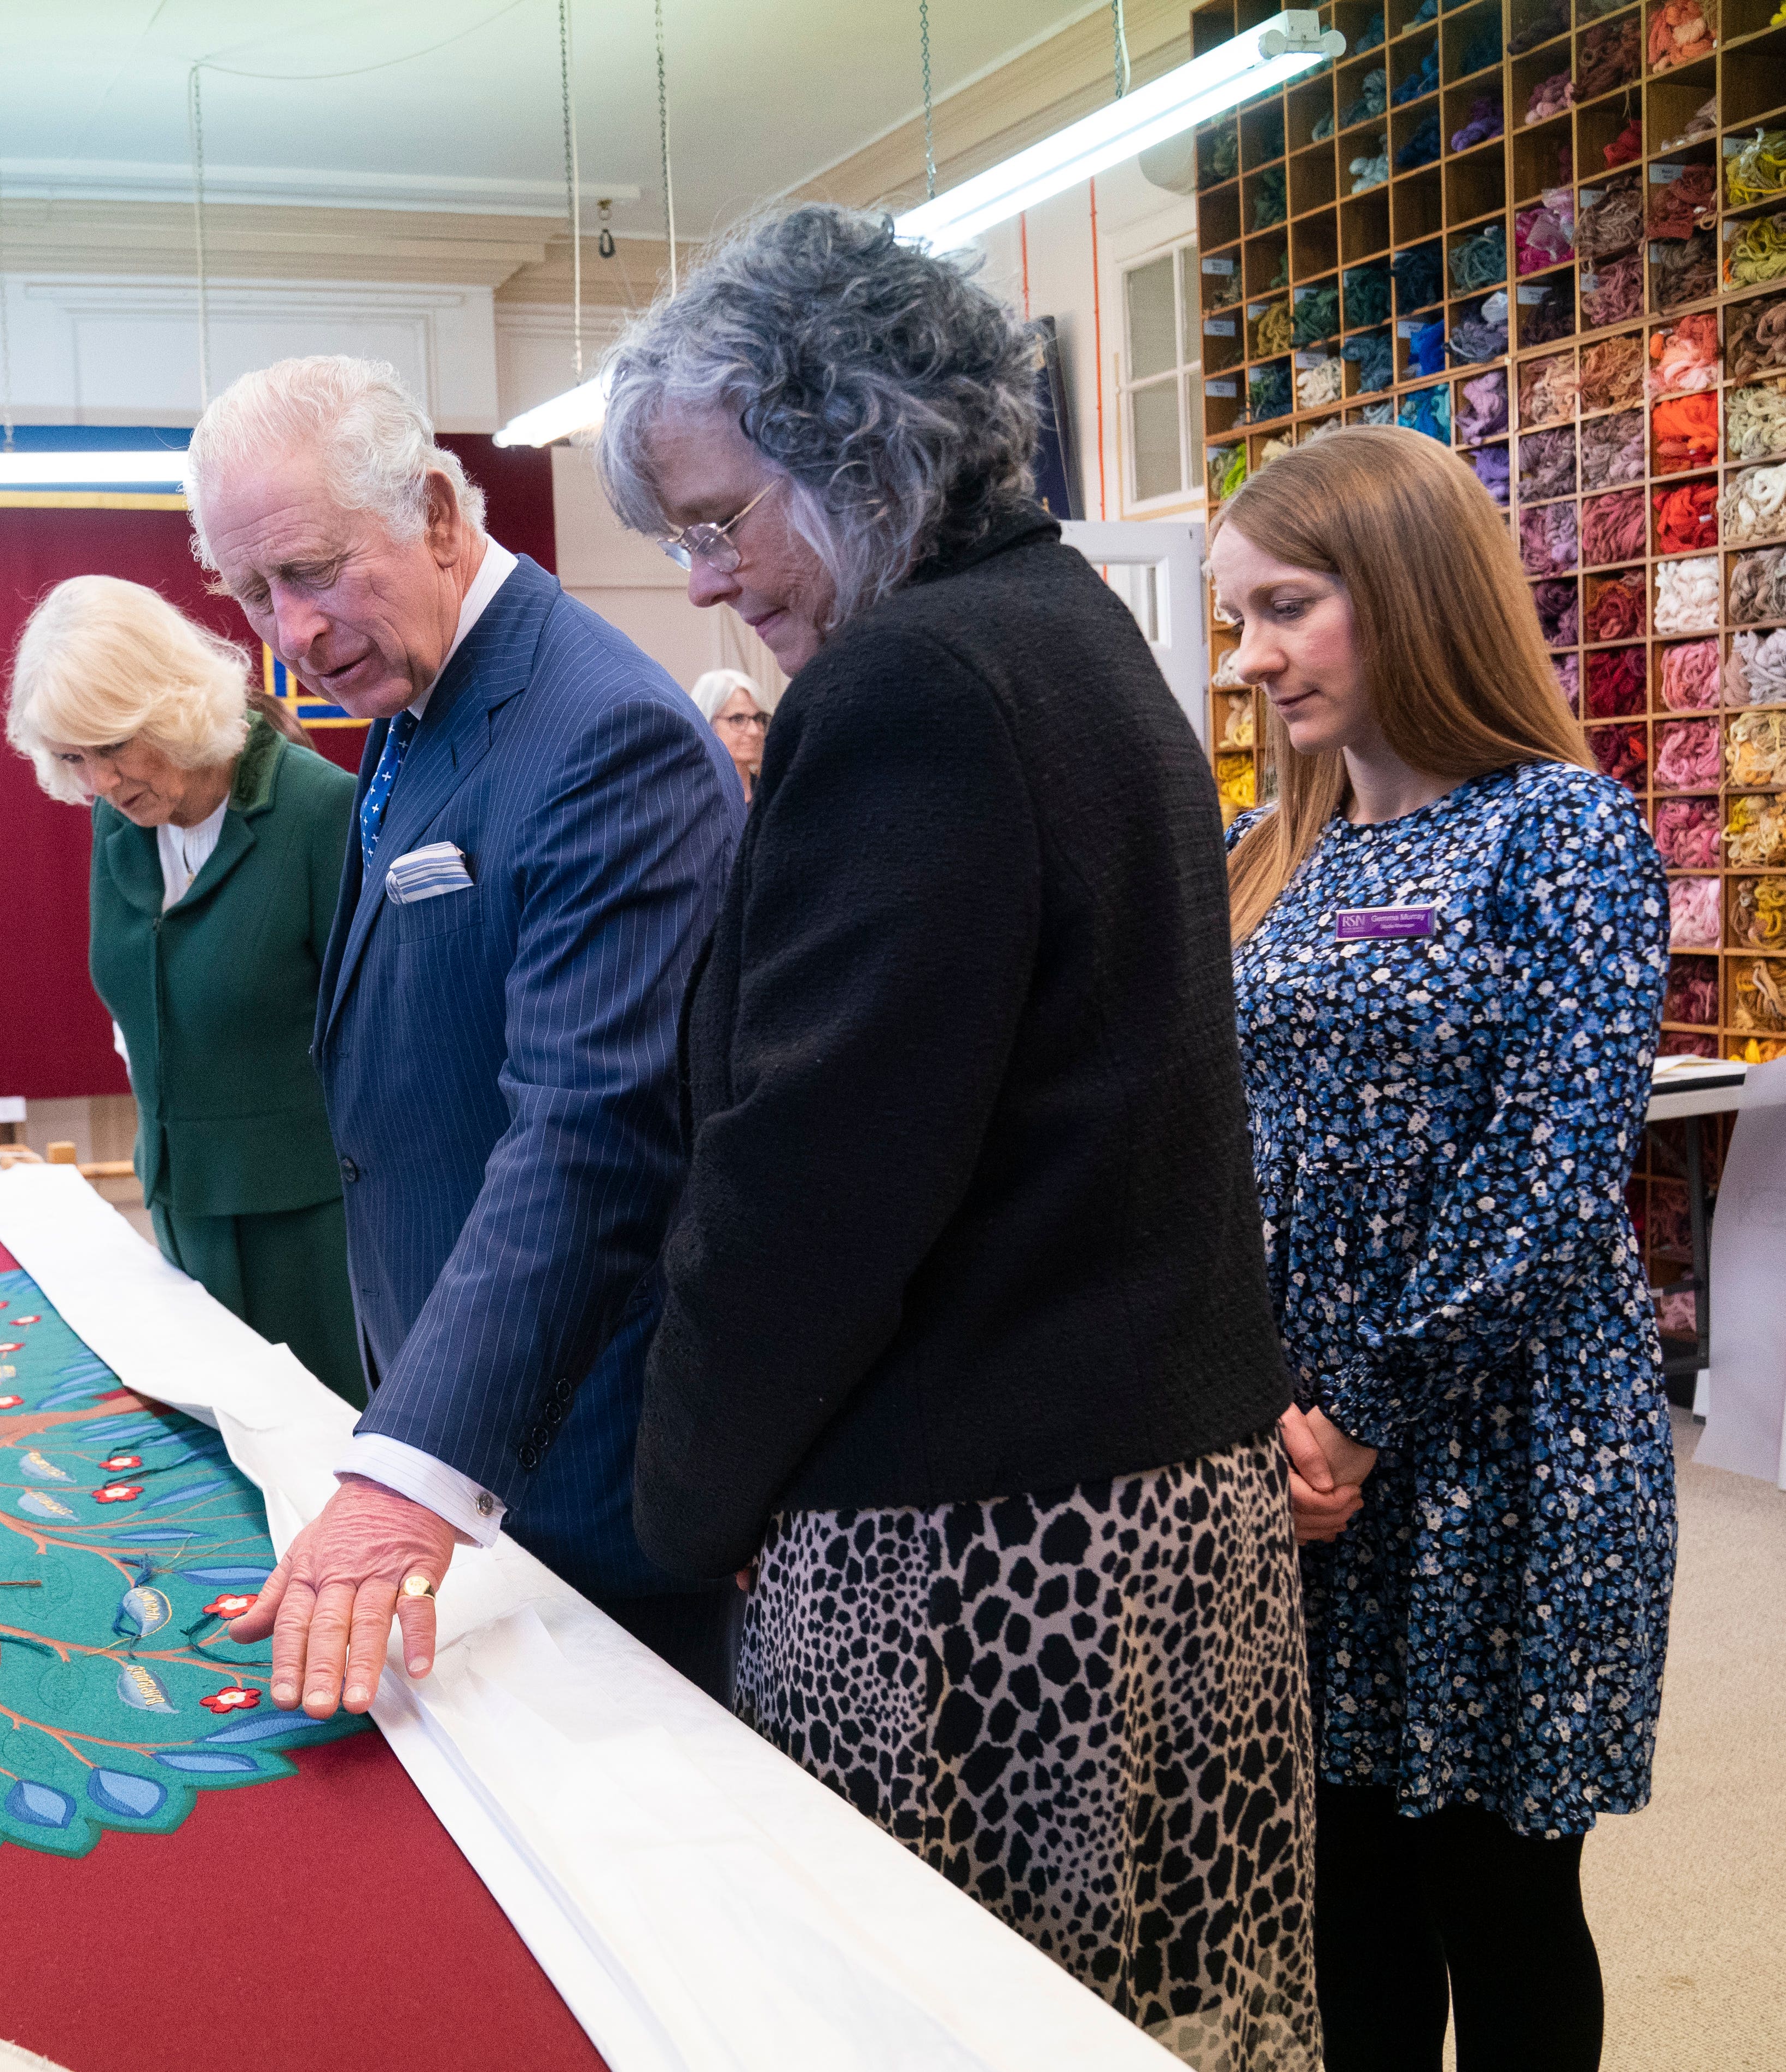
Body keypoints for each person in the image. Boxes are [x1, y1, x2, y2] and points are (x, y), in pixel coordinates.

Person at [602, 206, 1316, 2069]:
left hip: (984, 1559)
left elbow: (815, 1179)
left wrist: (682, 1500)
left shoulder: (911, 682)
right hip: (1146, 1495)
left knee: (933, 2013)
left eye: (709, 518)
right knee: (1158, 2007)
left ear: (850, 447)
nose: (699, 582)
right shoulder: (1066, 634)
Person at [1213, 426, 1676, 2072]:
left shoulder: (1563, 831)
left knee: (1501, 1897)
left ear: (1405, 591)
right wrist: (1269, 1406)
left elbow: (1550, 1179)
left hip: (1504, 1454)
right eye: (1236, 618)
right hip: (1303, 1471)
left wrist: (1355, 1410)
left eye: (1287, 604)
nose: (1254, 657)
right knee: (1345, 1906)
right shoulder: (1277, 853)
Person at [199, 355, 739, 1712]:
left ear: (439, 514)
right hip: (479, 1429)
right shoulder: (415, 688)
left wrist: (404, 1479)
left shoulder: (600, 729)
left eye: (315, 571)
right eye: (254, 594)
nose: (293, 636)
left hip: (584, 1453)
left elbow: (589, 1132)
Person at [6, 574, 369, 1407]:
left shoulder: (321, 814)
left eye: (112, 746)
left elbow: (386, 1047)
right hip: (173, 1206)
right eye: (72, 758)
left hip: (309, 1222)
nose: (97, 782)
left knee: (311, 1456)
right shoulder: (120, 820)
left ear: (170, 707)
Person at [688, 666, 768, 803]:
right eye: (738, 719)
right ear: (707, 724)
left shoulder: (772, 793)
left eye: (758, 718)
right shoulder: (691, 799)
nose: (754, 731)